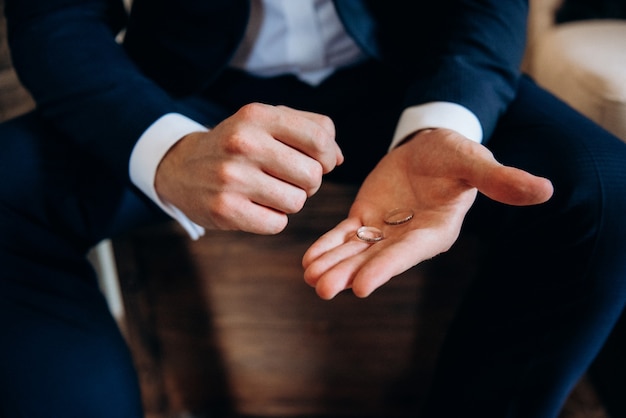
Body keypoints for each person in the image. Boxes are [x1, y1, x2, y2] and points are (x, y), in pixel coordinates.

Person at [1, 0, 625, 417]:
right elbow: (54, 16)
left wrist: (440, 125)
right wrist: (166, 150)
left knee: (606, 189)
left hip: (411, 74)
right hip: (181, 88)